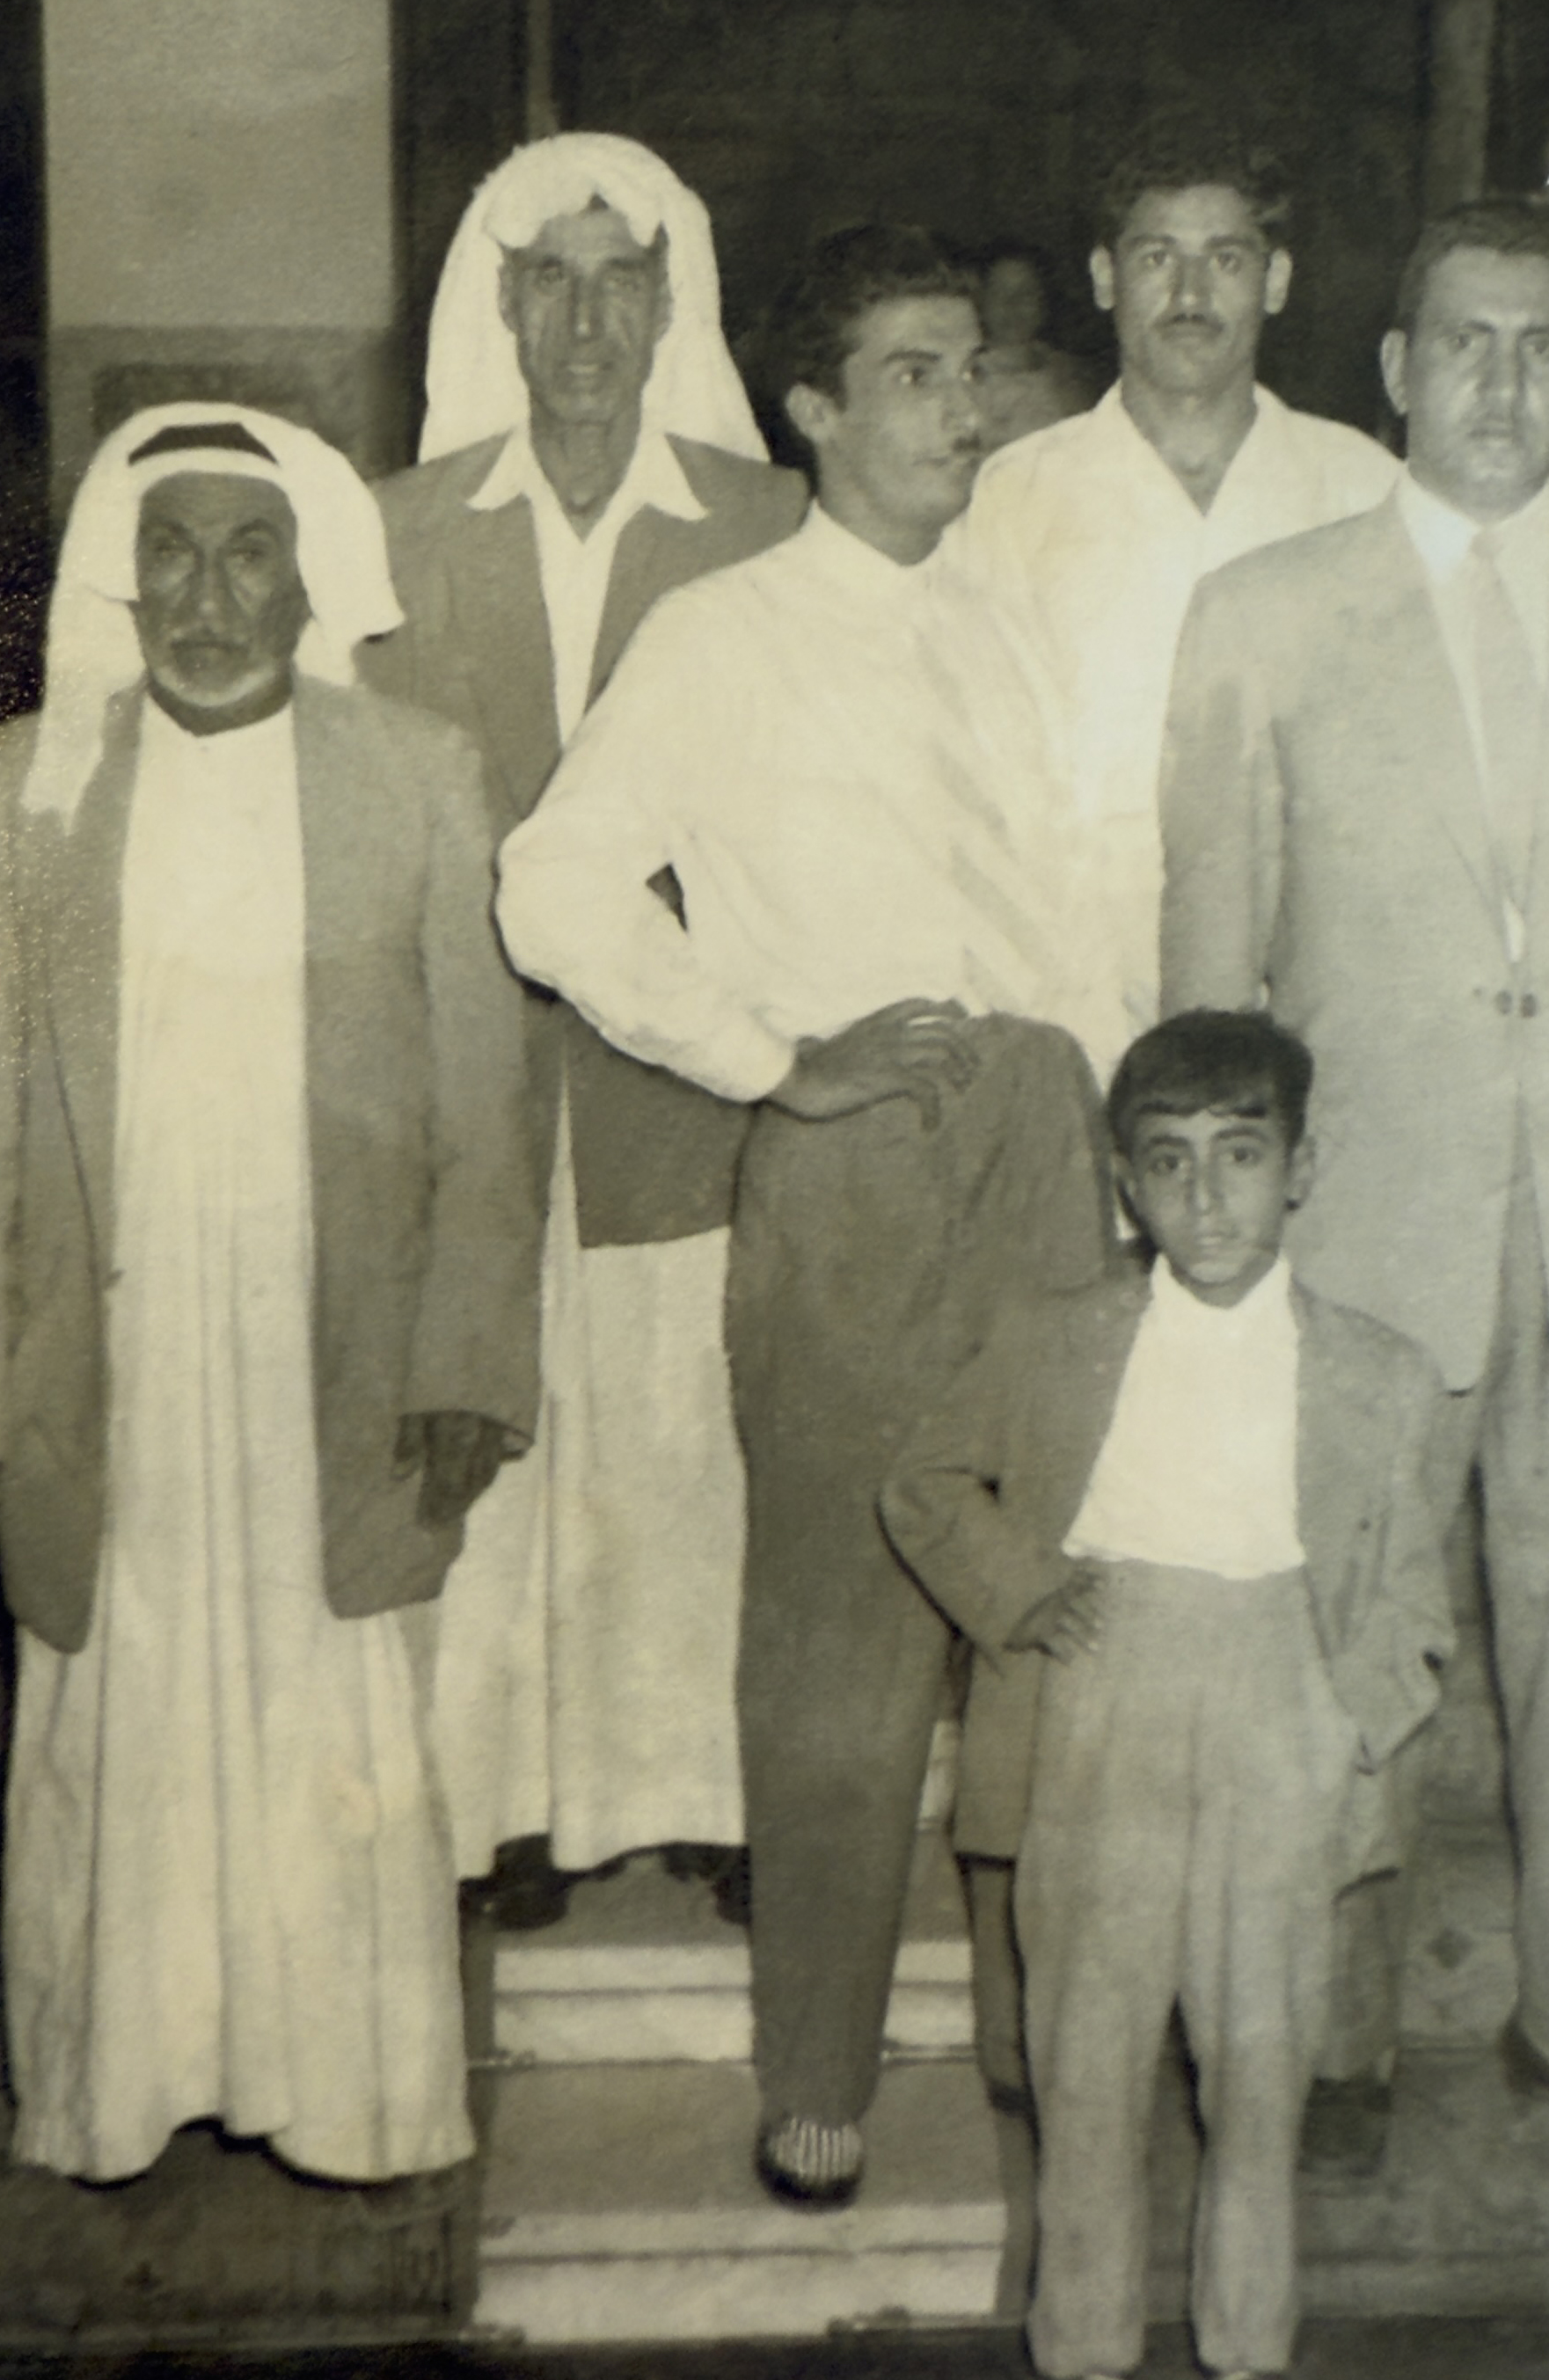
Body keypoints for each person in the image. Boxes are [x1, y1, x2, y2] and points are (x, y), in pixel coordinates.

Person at [497, 223, 1117, 2206]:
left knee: (1048, 1595)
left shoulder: (1027, 622)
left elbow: (1098, 903)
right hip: (856, 1158)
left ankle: (1042, 2041)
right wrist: (769, 1056)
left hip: (1049, 1138)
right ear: (813, 411)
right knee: (839, 1634)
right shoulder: (722, 634)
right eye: (913, 372)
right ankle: (818, 2069)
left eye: (972, 368)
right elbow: (550, 884)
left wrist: (1112, 1139)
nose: (961, 406)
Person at [1159, 196, 1549, 2179]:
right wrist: (1209, 1236)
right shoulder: (1263, 614)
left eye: (1538, 347)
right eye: (1463, 343)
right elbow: (1209, 965)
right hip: (1362, 1224)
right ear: (1396, 371)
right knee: (1349, 1635)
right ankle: (1327, 2047)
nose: (1499, 383)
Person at [0, 403, 540, 2184]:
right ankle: (112, 2088)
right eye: (171, 553)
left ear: (312, 584)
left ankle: (354, 2096)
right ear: (123, 573)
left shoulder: (415, 770)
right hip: (112, 1342)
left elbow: (485, 1105)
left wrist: (466, 1360)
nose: (207, 599)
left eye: (249, 556)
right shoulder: (30, 790)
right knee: (114, 1693)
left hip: (340, 1342)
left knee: (338, 1706)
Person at [362, 134, 806, 1928]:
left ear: (669, 304)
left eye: (622, 281)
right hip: (465, 1075)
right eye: (549, 279)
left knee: (686, 1433)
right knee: (496, 1428)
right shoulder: (396, 529)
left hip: (688, 1072)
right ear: (499, 302)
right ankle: (512, 1810)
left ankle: (701, 1793)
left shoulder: (765, 522)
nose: (586, 323)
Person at [883, 1011, 1451, 2380]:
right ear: (1124, 1181)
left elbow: (1414, 1604)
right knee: (1084, 2070)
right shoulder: (1055, 1339)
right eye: (1170, 1160)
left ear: (1301, 1166)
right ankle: (1082, 2345)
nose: (1207, 1197)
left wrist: (1345, 1720)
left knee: (1261, 2075)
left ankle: (1248, 2344)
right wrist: (1026, 1590)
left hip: (1282, 1704)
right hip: (1102, 1706)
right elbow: (925, 1480)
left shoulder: (1380, 1371)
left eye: (1241, 1154)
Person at [950, 114, 1396, 1047]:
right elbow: (974, 788)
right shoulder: (1012, 499)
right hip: (1075, 1001)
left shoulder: (1362, 490)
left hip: (1314, 1000)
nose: (1190, 295)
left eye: (1225, 260)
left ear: (1275, 280)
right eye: (1157, 258)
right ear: (1104, 276)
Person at [969, 239, 1097, 455]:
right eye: (999, 293)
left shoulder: (1072, 374)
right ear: (980, 300)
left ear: (1044, 301)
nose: (1012, 305)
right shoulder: (968, 377)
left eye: (1026, 293)